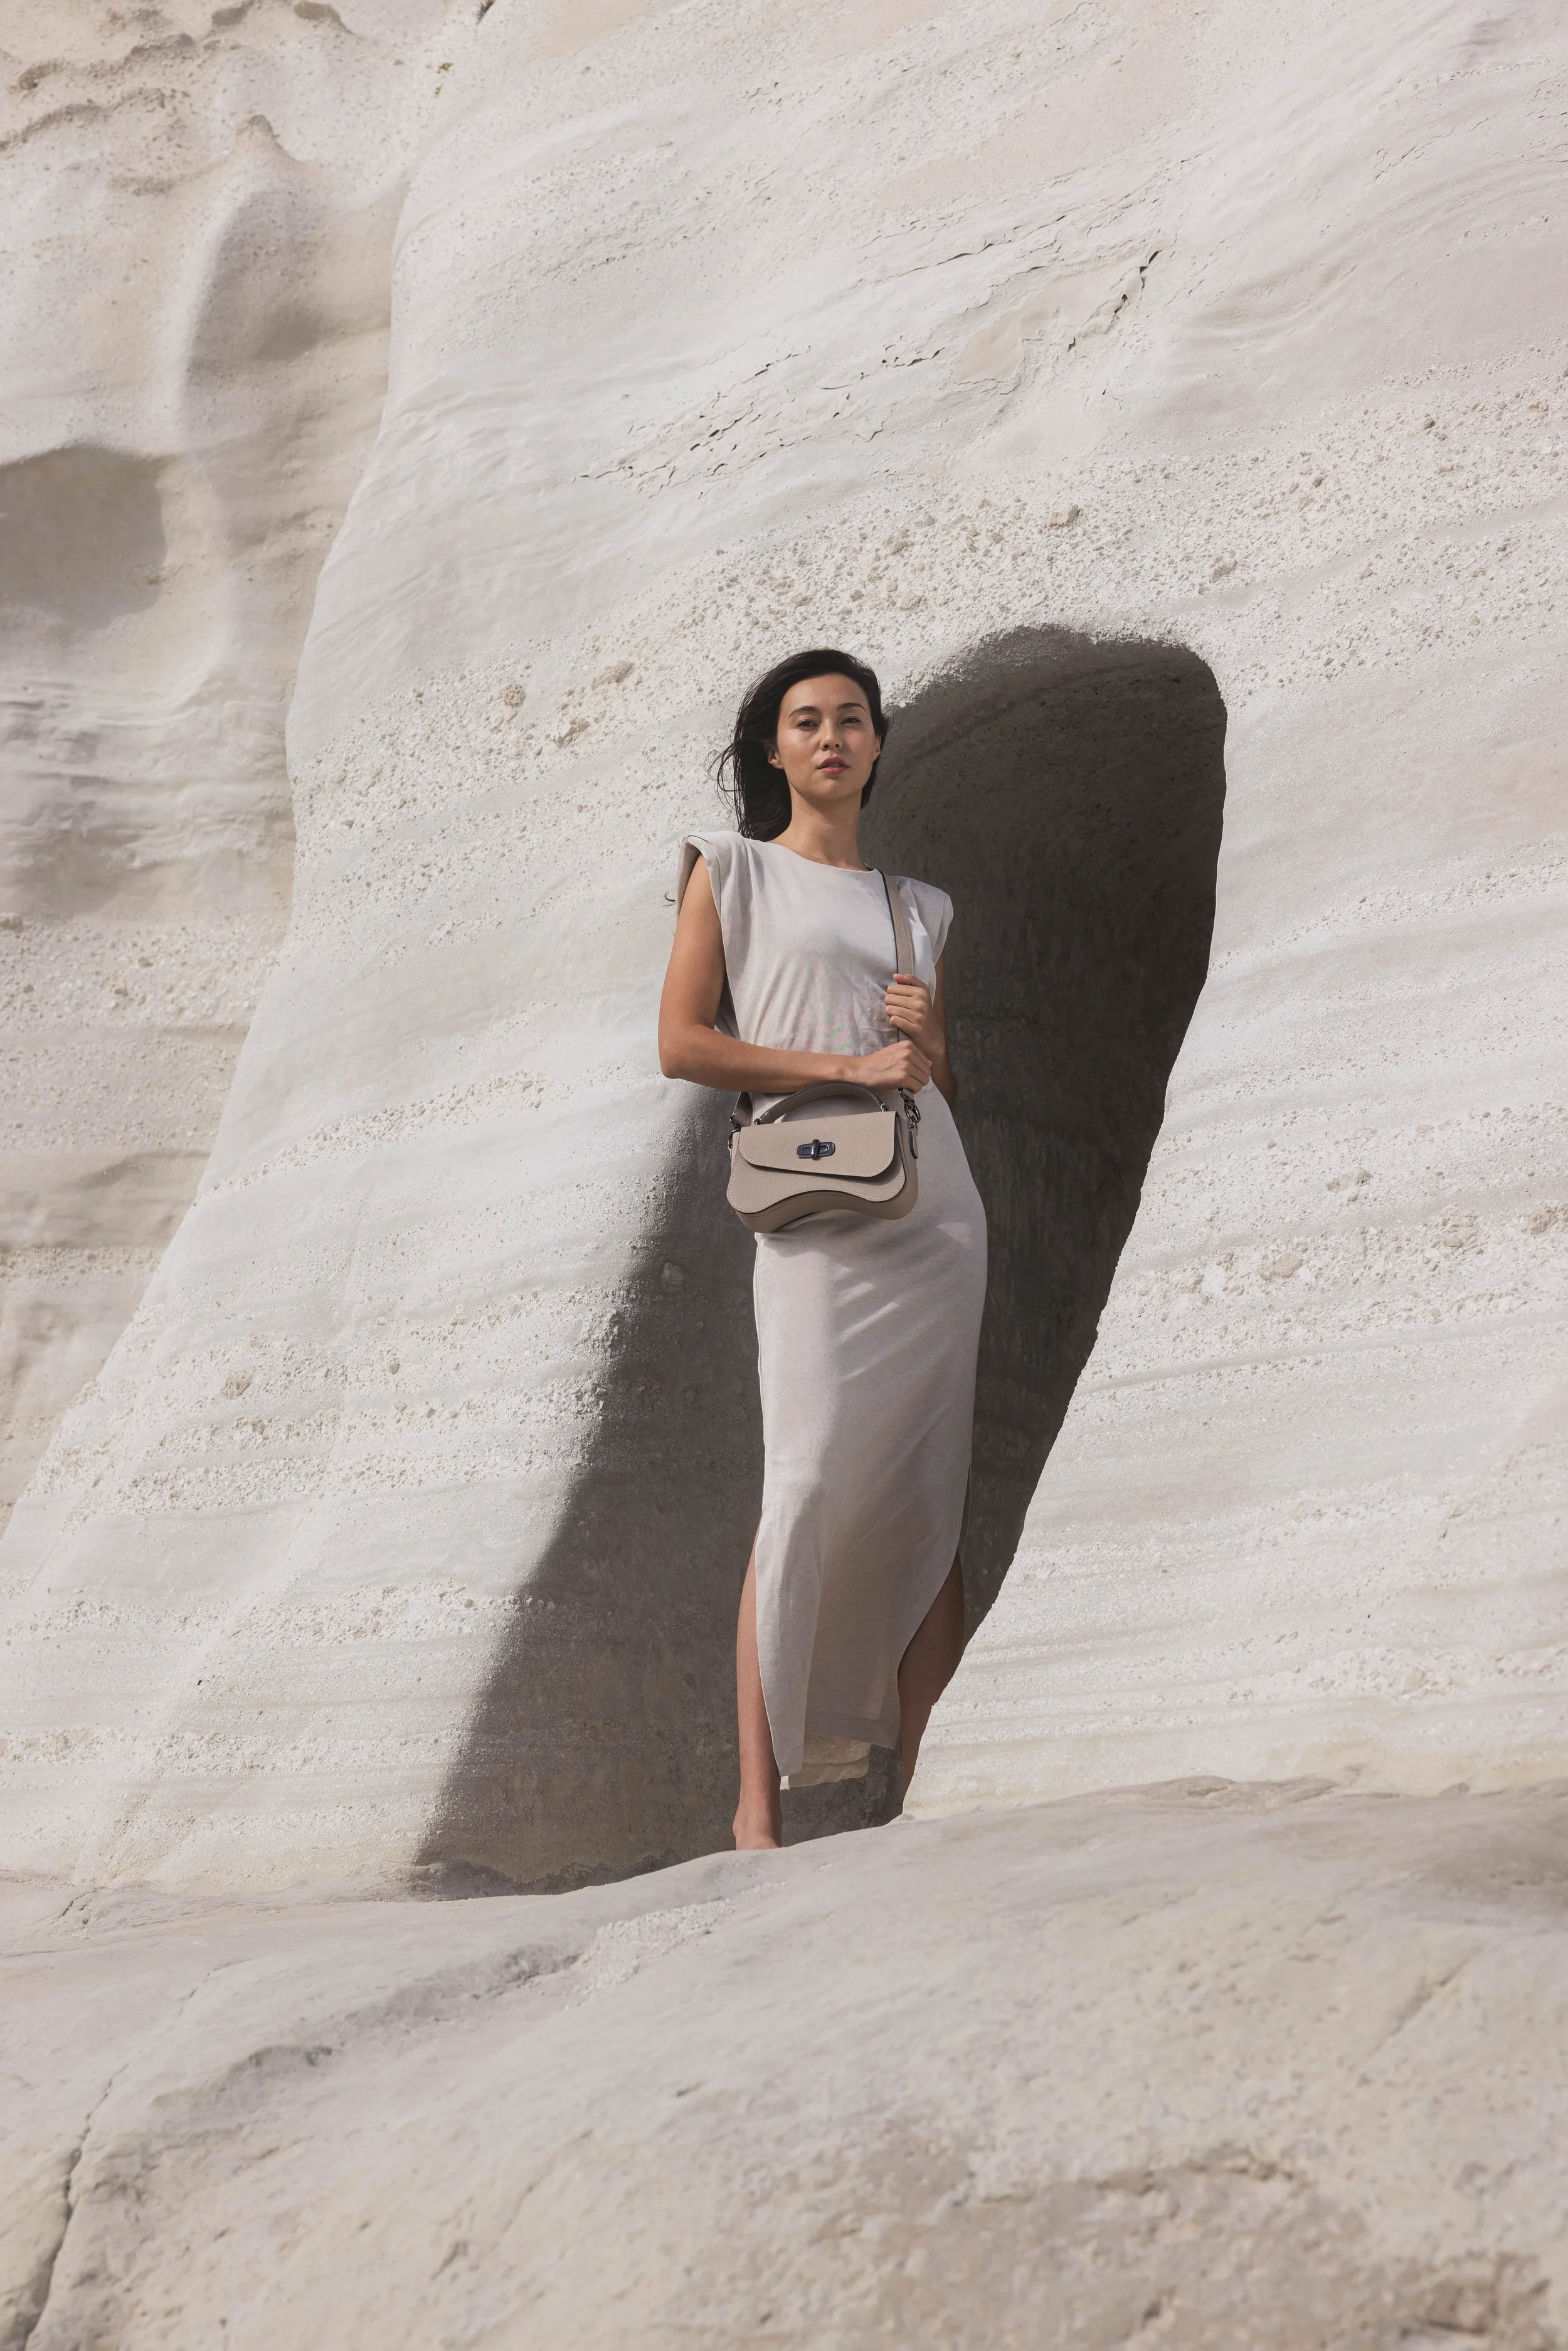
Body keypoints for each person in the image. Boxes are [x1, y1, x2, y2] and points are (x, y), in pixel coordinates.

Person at [659, 649, 987, 1850]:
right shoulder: (730, 872)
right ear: (774, 749)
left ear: (880, 744)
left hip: (932, 1218)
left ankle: (920, 1792)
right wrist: (845, 1065)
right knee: (802, 1482)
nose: (832, 738)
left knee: (926, 1498)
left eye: (853, 720)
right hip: (809, 1213)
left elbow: (936, 1085)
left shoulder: (921, 907)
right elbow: (684, 1045)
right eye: (807, 722)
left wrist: (928, 1034)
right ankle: (758, 1812)